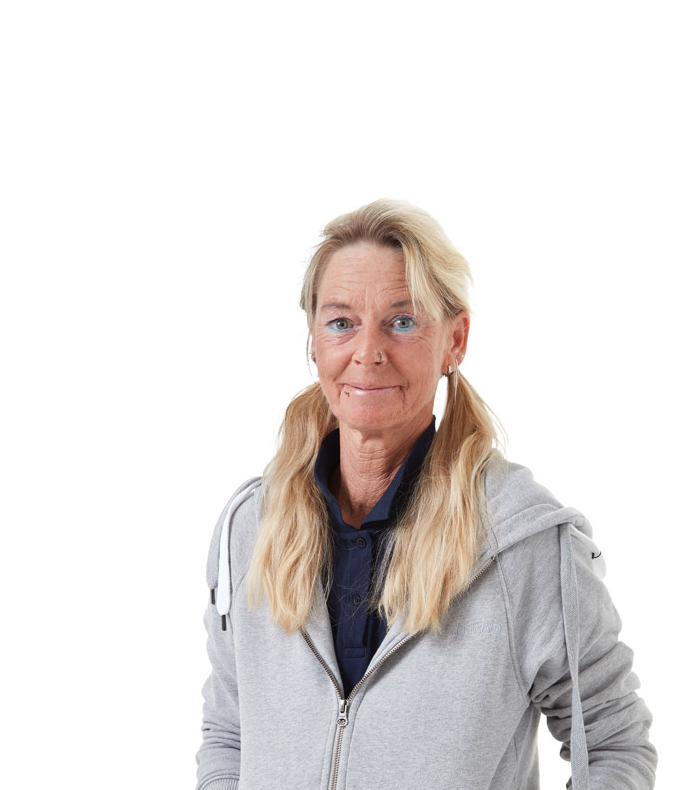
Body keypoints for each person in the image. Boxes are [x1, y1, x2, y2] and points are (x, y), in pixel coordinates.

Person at [195, 199, 657, 790]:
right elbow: (229, 733)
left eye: (402, 321)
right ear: (313, 341)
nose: (367, 351)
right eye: (340, 323)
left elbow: (614, 744)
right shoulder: (251, 528)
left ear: (454, 340)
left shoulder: (523, 544)